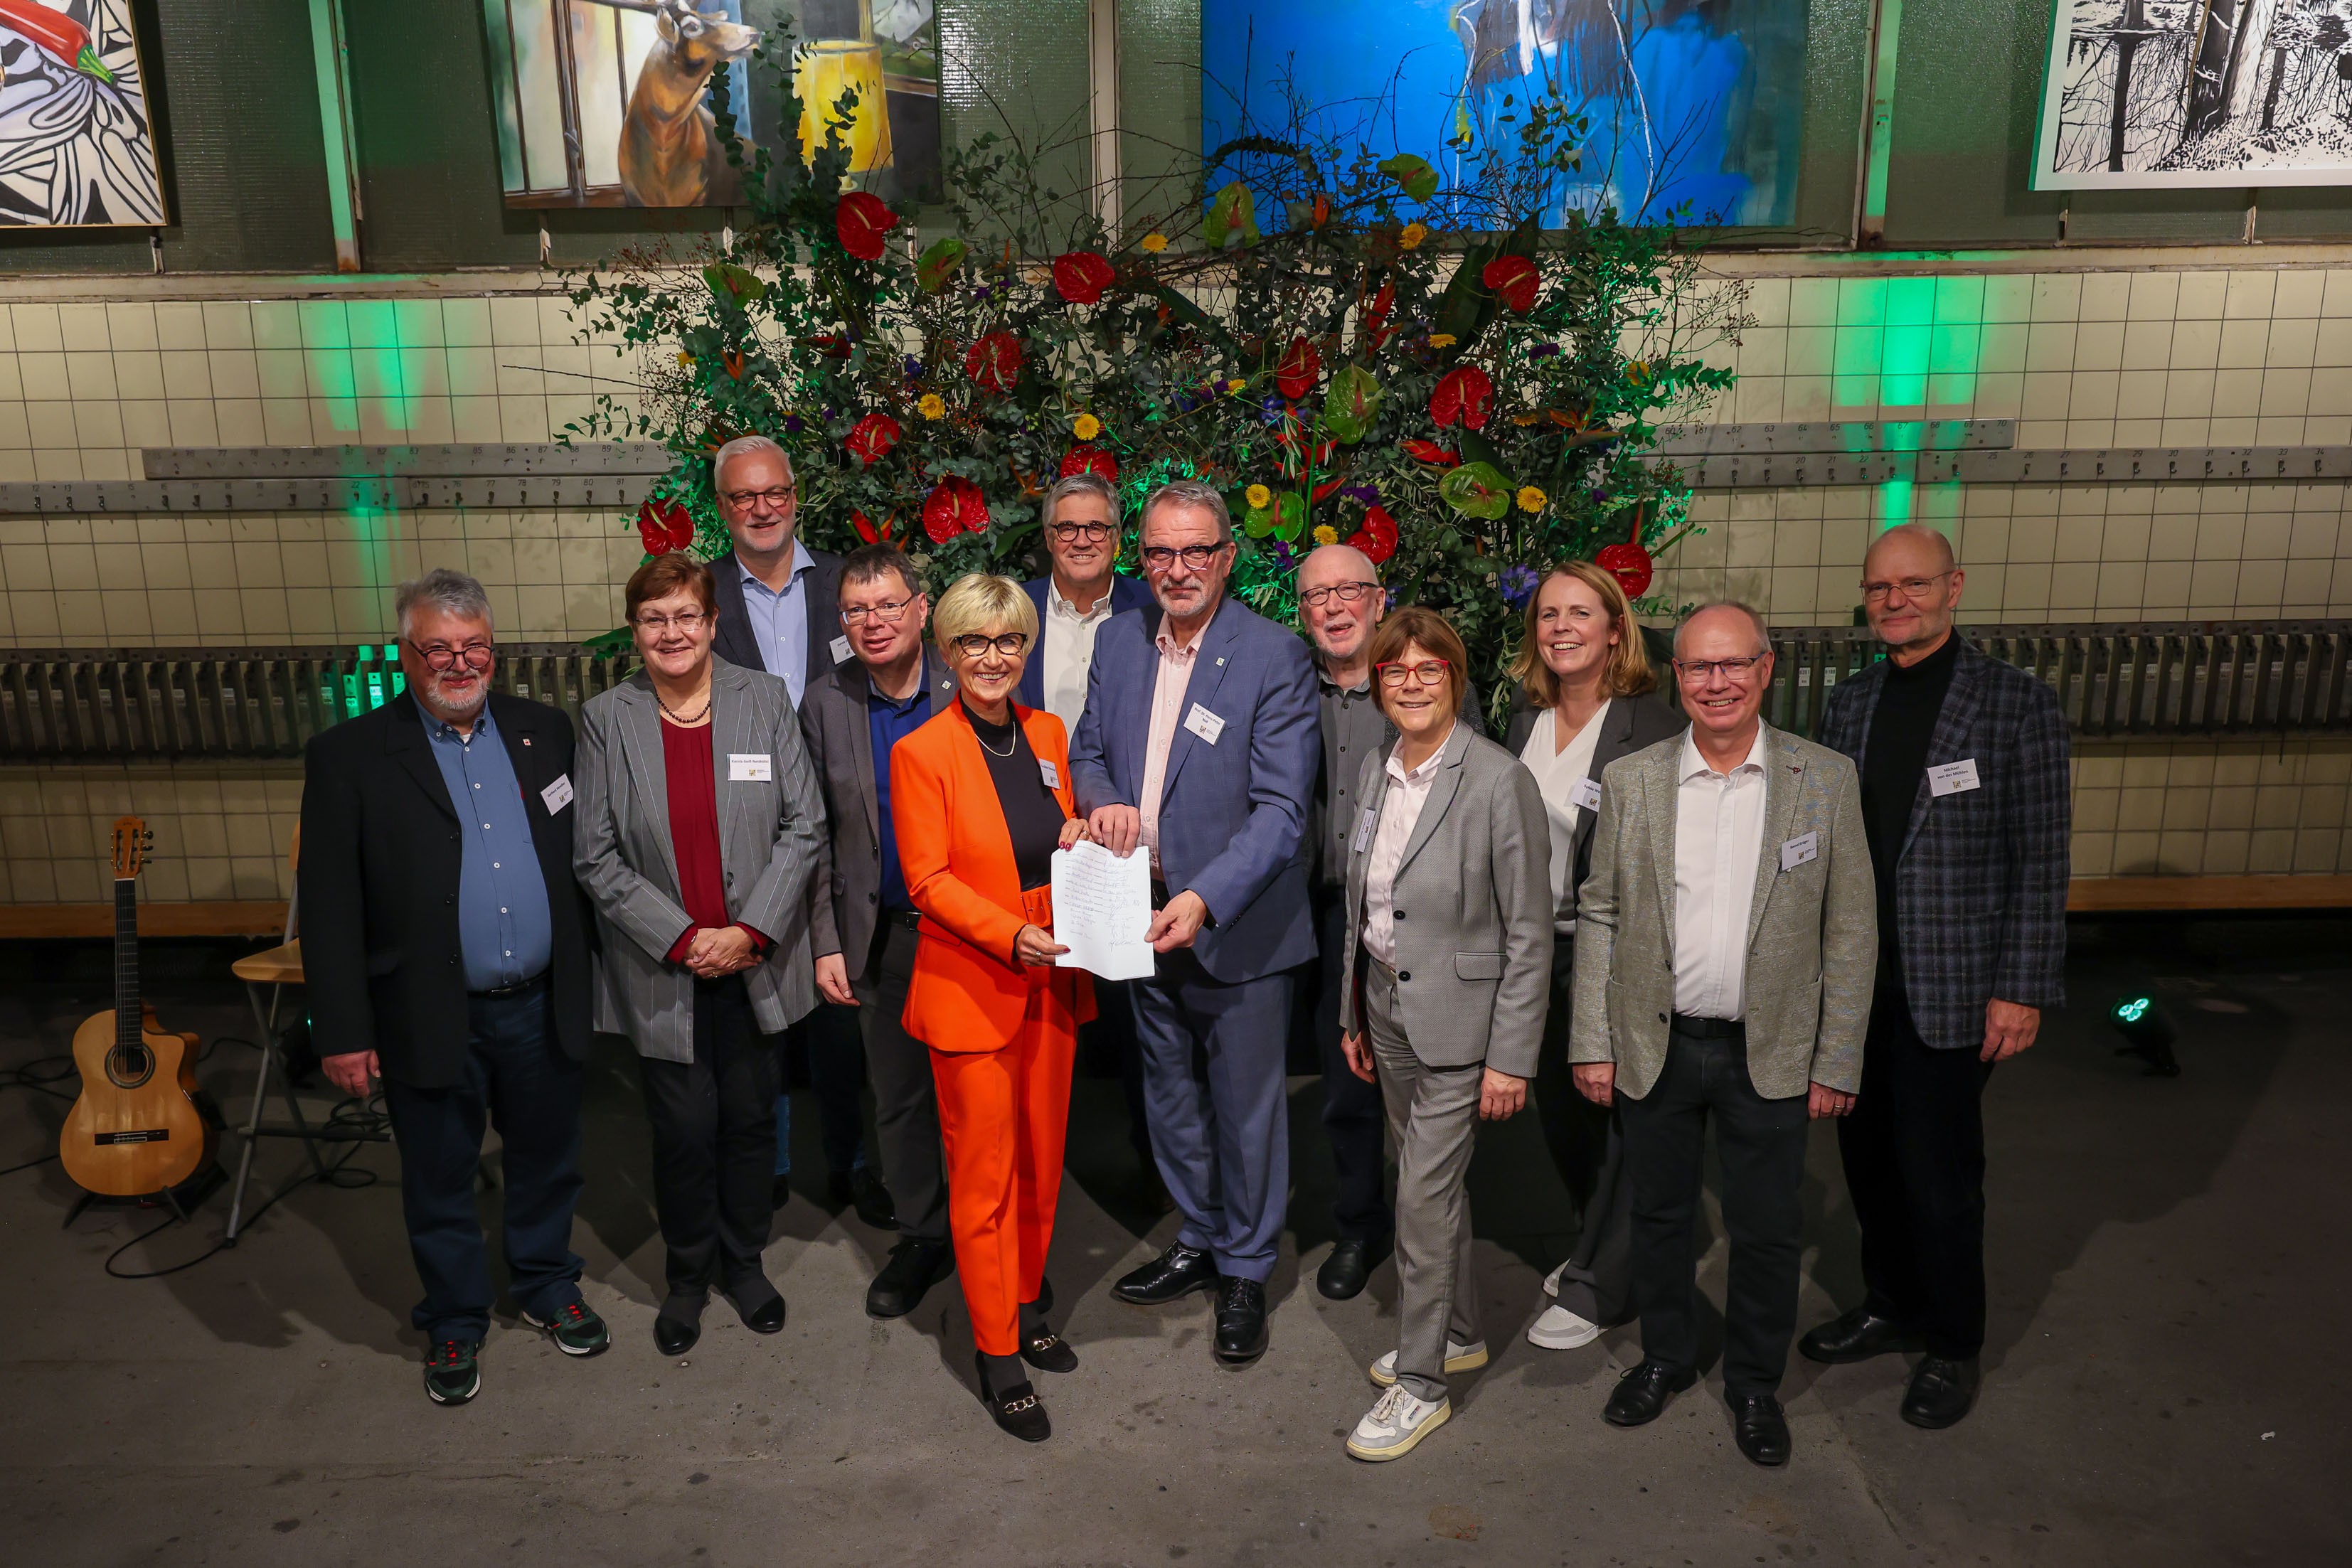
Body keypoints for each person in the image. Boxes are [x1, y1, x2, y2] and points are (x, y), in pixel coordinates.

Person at [1571, 601, 1875, 1468]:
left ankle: (1752, 1382)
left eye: (1733, 665)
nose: (1716, 683)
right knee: (1660, 1216)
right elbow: (1598, 913)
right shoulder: (1634, 781)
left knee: (1768, 1226)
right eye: (1699, 668)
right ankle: (1665, 1358)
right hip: (1655, 1042)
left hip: (1768, 1048)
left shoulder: (1824, 779)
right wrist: (1591, 1038)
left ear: (1766, 669)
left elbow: (1851, 927)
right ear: (1678, 678)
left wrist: (1837, 1055)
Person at [301, 567, 605, 1406]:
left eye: (474, 647)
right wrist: (340, 1030)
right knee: (437, 1175)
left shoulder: (547, 732)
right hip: (425, 1010)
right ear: (407, 654)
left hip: (543, 1002)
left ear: (494, 652)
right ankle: (455, 1321)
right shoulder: (349, 758)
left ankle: (547, 1285)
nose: (459, 662)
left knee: (548, 1161)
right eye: (439, 647)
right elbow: (328, 908)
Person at [1800, 523, 2070, 1429]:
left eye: (1912, 585)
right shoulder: (1848, 704)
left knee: (1938, 1175)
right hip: (1856, 985)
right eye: (1878, 588)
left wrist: (2022, 985)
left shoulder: (2014, 705)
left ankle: (1953, 1343)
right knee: (1866, 1162)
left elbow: (2041, 856)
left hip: (1955, 983)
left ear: (1954, 587)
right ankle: (1891, 1304)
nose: (1894, 601)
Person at [1070, 479, 1320, 1366]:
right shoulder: (1119, 640)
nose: (1177, 569)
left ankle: (1247, 1267)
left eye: (1196, 552)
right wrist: (1098, 804)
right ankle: (1201, 1237)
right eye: (1161, 553)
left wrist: (1204, 897)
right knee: (1169, 1095)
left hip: (1231, 926)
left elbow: (1283, 811)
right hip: (1135, 915)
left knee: (1247, 1111)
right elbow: (1088, 748)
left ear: (1226, 557)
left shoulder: (1273, 655)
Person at [573, 553, 826, 1358]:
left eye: (686, 615)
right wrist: (682, 939)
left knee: (751, 1122)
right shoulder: (607, 719)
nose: (671, 632)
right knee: (681, 1131)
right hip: (662, 969)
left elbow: (805, 824)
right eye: (654, 619)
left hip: (753, 962)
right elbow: (595, 857)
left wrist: (750, 931)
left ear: (713, 623)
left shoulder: (765, 699)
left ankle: (745, 1264)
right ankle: (687, 1277)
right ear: (636, 631)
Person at [1333, 609, 1552, 1461]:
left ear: (1455, 681)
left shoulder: (1496, 781)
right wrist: (1354, 1010)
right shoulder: (1374, 768)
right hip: (1387, 1010)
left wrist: (1510, 1056)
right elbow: (1363, 903)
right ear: (1378, 684)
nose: (1413, 683)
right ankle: (1458, 1329)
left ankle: (1422, 1387)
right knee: (1428, 1191)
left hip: (1464, 1028)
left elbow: (1529, 931)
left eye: (1430, 670)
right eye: (1397, 671)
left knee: (1421, 1204)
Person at [890, 575, 1095, 1442]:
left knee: (1040, 1166)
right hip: (977, 979)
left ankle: (1022, 1300)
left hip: (1054, 976)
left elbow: (1059, 832)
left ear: (1025, 648)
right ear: (947, 652)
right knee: (981, 1183)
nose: (992, 657)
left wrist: (1078, 841)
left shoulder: (1047, 734)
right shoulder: (922, 752)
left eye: (1007, 641)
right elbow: (927, 880)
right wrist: (1010, 935)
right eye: (974, 642)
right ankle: (996, 1351)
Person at [701, 433, 888, 1229]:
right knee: (758, 1002)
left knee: (846, 1006)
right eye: (743, 497)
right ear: (723, 508)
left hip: (844, 820)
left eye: (773, 492)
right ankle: (769, 1164)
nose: (762, 508)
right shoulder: (702, 593)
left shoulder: (847, 583)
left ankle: (853, 1162)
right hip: (742, 822)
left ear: (795, 494)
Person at [1499, 562, 1686, 1352]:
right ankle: (1598, 1242)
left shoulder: (1655, 726)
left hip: (1611, 948)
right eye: (1548, 615)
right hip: (1534, 951)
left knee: (1617, 1114)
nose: (1562, 628)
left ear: (1616, 628)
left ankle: (1604, 1282)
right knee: (1564, 1113)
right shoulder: (1523, 718)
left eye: (1581, 613)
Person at [1292, 542, 1482, 1301]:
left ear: (1379, 600)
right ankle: (1358, 1223)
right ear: (1301, 613)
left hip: (1416, 923)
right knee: (1345, 1085)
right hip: (1320, 914)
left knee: (1418, 1091)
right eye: (1316, 597)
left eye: (1349, 591)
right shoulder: (1283, 689)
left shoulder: (1416, 686)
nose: (1334, 607)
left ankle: (1428, 1240)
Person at [800, 544, 963, 1321]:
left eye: (889, 605)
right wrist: (825, 939)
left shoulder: (968, 685)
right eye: (857, 610)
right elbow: (812, 834)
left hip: (967, 935)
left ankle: (991, 1236)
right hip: (880, 937)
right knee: (899, 1101)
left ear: (922, 609)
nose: (875, 623)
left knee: (977, 1098)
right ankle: (924, 1236)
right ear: (842, 621)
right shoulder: (825, 702)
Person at [1016, 472, 1159, 1208]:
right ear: (1047, 537)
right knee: (1035, 1009)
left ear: (1116, 537)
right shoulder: (1014, 614)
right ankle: (1035, 1176)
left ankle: (1154, 1172)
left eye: (1096, 528)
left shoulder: (1149, 607)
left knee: (1138, 1020)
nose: (1080, 540)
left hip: (1121, 834)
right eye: (1067, 528)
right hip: (1026, 831)